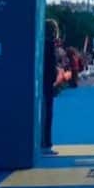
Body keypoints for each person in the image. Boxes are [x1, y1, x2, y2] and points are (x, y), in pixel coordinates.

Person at [42, 18, 59, 155]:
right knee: (47, 114)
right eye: (54, 29)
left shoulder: (43, 43)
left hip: (45, 82)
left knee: (46, 113)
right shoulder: (49, 44)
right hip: (47, 83)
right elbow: (50, 65)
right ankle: (46, 144)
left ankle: (44, 142)